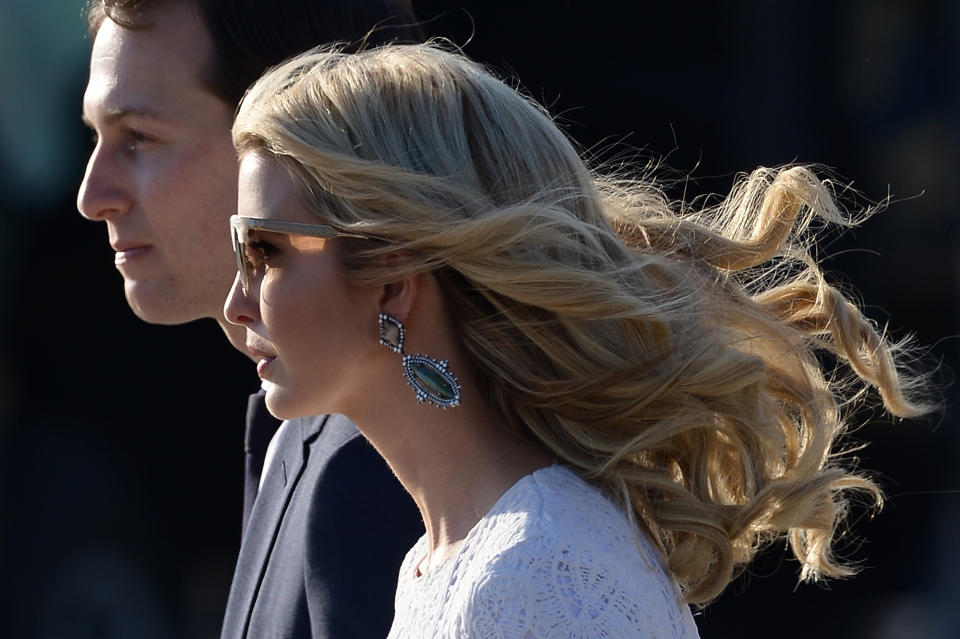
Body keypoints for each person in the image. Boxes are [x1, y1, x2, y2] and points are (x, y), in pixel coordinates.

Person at [222, 43, 933, 637]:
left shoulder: (536, 573)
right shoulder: (444, 562)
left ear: (391, 277)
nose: (236, 299)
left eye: (264, 250)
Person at [76, 1, 425, 637]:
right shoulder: (319, 427)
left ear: (294, 139)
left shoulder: (388, 466)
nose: (92, 196)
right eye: (95, 136)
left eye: (140, 138)